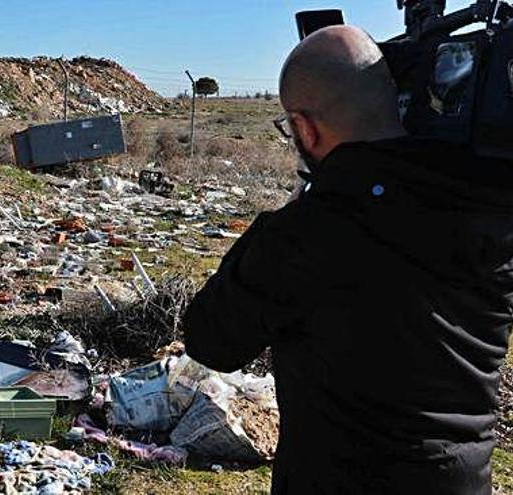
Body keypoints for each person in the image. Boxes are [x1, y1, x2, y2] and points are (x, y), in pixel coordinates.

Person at [183, 25, 513, 495]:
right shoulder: (488, 209)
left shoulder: (307, 234)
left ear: (304, 127)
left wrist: (287, 217)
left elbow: (210, 339)